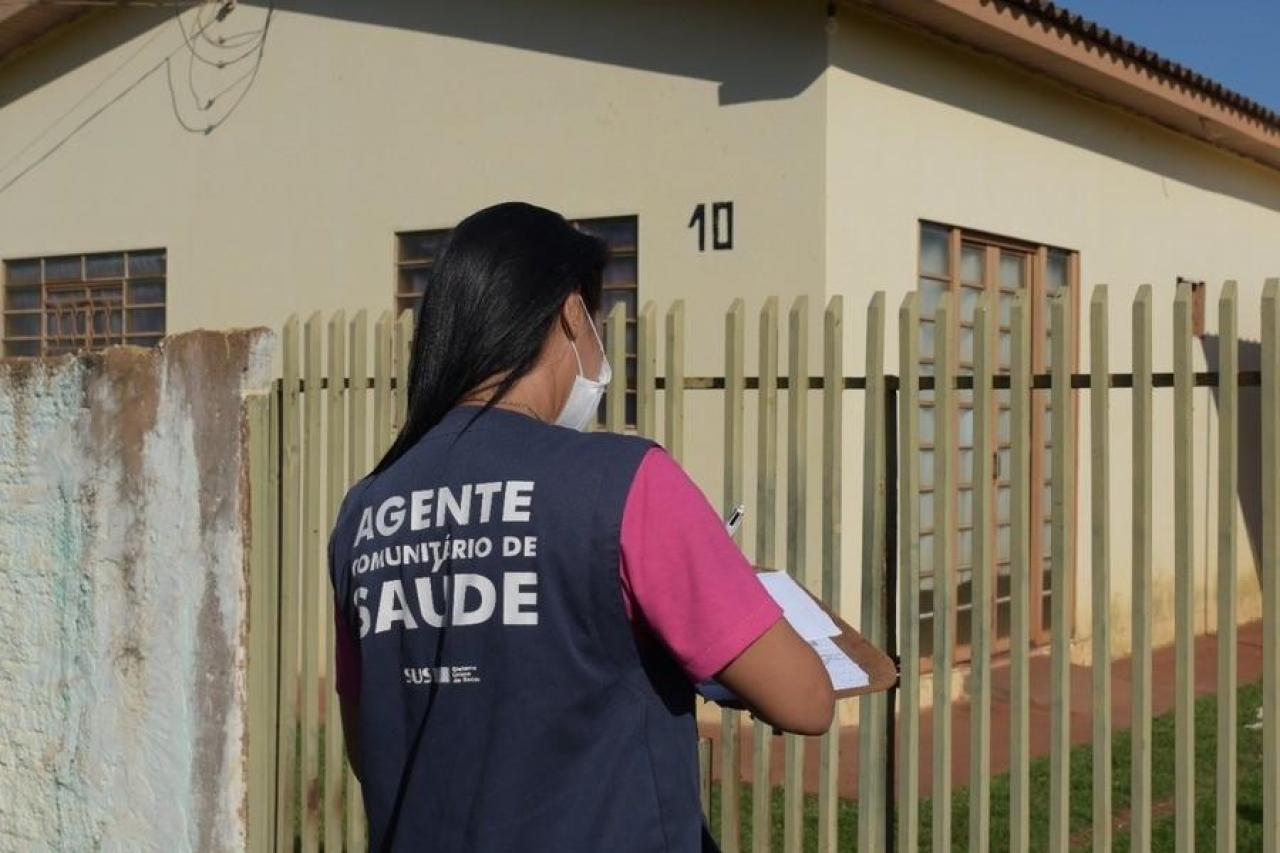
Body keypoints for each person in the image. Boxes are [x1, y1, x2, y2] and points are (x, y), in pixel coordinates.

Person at [327, 201, 835, 853]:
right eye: (596, 319)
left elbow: (369, 745)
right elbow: (806, 699)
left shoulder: (365, 510)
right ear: (571, 312)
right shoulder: (625, 481)